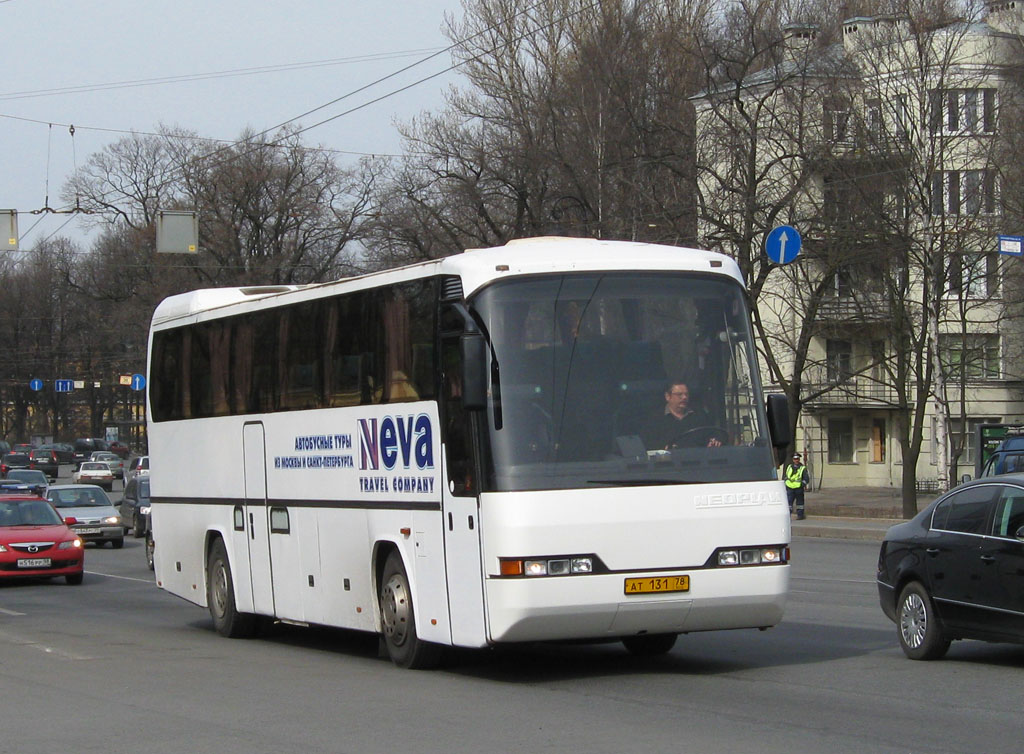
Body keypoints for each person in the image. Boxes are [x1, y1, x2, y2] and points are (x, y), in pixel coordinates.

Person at [644, 380, 723, 450]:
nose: (684, 397)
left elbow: (713, 433)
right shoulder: (655, 419)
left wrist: (715, 440)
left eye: (686, 394)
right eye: (679, 394)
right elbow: (648, 444)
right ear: (668, 396)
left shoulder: (699, 416)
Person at [784, 453, 810, 519]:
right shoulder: (789, 467)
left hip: (798, 488)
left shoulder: (802, 468)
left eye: (797, 459)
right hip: (790, 488)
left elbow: (806, 479)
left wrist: (802, 484)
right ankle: (788, 515)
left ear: (799, 459)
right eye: (795, 459)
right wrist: (786, 483)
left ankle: (800, 515)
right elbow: (786, 476)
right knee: (789, 503)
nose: (796, 460)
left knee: (800, 503)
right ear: (793, 460)